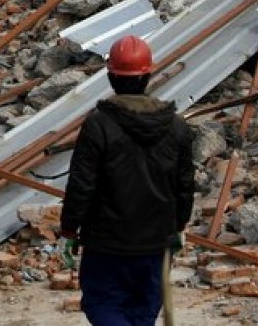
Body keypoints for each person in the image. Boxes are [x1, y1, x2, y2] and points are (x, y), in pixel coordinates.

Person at [59, 34, 194, 326]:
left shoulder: (98, 125)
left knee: (103, 305)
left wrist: (69, 229)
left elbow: (82, 183)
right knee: (142, 312)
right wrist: (180, 225)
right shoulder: (177, 126)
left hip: (107, 245)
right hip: (155, 244)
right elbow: (184, 184)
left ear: (111, 76)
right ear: (148, 75)